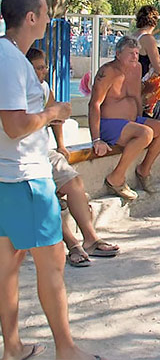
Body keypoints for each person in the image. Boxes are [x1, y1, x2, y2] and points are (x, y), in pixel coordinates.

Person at [0, 0, 102, 360]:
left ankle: (12, 347)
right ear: (30, 18)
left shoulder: (8, 57)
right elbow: (13, 125)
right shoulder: (12, 62)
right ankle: (66, 349)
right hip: (25, 177)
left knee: (8, 265)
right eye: (44, 14)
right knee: (52, 264)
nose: (47, 19)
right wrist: (53, 114)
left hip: (8, 177)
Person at [27, 48, 120, 268]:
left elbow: (55, 116)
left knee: (75, 183)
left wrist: (60, 145)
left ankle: (91, 239)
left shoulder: (43, 88)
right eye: (39, 67)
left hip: (43, 151)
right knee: (45, 198)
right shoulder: (14, 90)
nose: (44, 71)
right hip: (23, 157)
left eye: (45, 66)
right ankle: (73, 245)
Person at [89, 36, 160, 199]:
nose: (135, 56)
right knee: (145, 133)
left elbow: (136, 97)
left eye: (136, 52)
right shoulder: (107, 71)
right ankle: (116, 177)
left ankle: (144, 170)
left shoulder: (138, 67)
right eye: (130, 53)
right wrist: (96, 139)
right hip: (110, 124)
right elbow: (94, 104)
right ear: (118, 54)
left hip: (132, 122)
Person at [135, 5, 160, 122]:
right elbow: (158, 68)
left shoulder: (131, 36)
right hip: (150, 90)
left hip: (135, 86)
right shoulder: (147, 39)